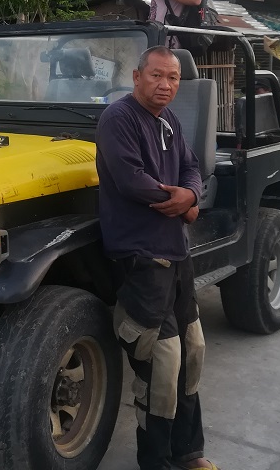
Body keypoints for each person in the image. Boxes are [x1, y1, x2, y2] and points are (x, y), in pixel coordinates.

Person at [95, 46, 218, 470]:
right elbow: (132, 181)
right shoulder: (118, 119)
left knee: (193, 349)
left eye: (173, 78)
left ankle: (189, 452)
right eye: (157, 75)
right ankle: (156, 461)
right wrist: (186, 204)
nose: (165, 84)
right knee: (161, 362)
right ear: (136, 75)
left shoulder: (169, 120)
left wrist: (192, 192)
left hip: (176, 254)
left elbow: (191, 167)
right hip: (142, 257)